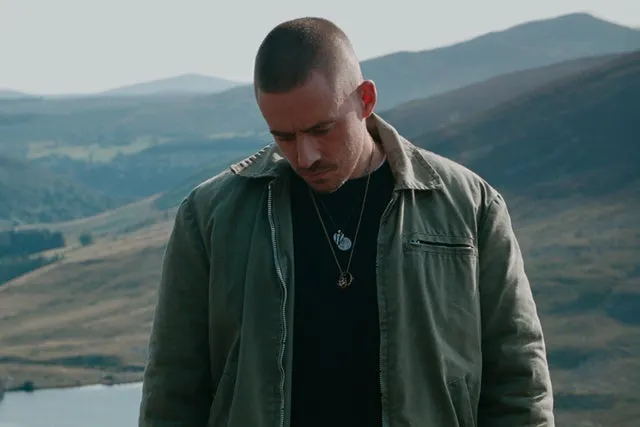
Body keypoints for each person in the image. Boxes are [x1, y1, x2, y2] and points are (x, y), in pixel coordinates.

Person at [138, 16, 555, 427]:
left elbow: (518, 379)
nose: (305, 157)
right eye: (284, 136)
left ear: (366, 100)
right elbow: (173, 387)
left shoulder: (467, 205)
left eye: (322, 129)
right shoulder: (210, 216)